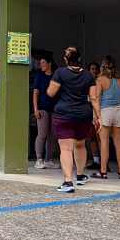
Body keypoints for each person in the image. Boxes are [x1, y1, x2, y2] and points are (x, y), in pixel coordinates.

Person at [46, 46, 100, 193]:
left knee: (66, 148)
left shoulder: (60, 73)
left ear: (65, 60)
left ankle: (68, 182)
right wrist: (98, 117)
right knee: (80, 144)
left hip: (64, 114)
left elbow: (50, 93)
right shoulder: (89, 76)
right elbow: (94, 98)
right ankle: (81, 176)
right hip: (84, 115)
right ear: (80, 59)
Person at [95, 56, 120, 179]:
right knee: (119, 143)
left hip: (105, 111)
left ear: (103, 67)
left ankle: (103, 171)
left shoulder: (100, 80)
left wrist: (96, 116)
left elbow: (97, 99)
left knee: (104, 142)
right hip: (118, 111)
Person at [32, 56, 57, 169]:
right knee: (42, 134)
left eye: (43, 62)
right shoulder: (39, 76)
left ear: (49, 63)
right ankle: (39, 159)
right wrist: (36, 109)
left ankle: (49, 159)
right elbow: (35, 93)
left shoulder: (56, 76)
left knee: (52, 136)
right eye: (40, 63)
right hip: (42, 108)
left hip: (55, 109)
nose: (41, 65)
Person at [85, 60, 102, 169]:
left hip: (98, 112)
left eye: (95, 69)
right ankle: (96, 161)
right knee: (91, 138)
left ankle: (103, 162)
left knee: (100, 137)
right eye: (92, 69)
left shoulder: (100, 82)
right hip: (88, 111)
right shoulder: (86, 82)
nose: (94, 71)